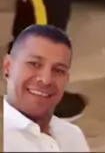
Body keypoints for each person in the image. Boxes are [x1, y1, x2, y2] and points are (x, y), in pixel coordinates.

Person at [3, 24, 90, 153]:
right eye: (34, 64)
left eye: (59, 70)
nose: (46, 79)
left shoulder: (72, 135)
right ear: (8, 67)